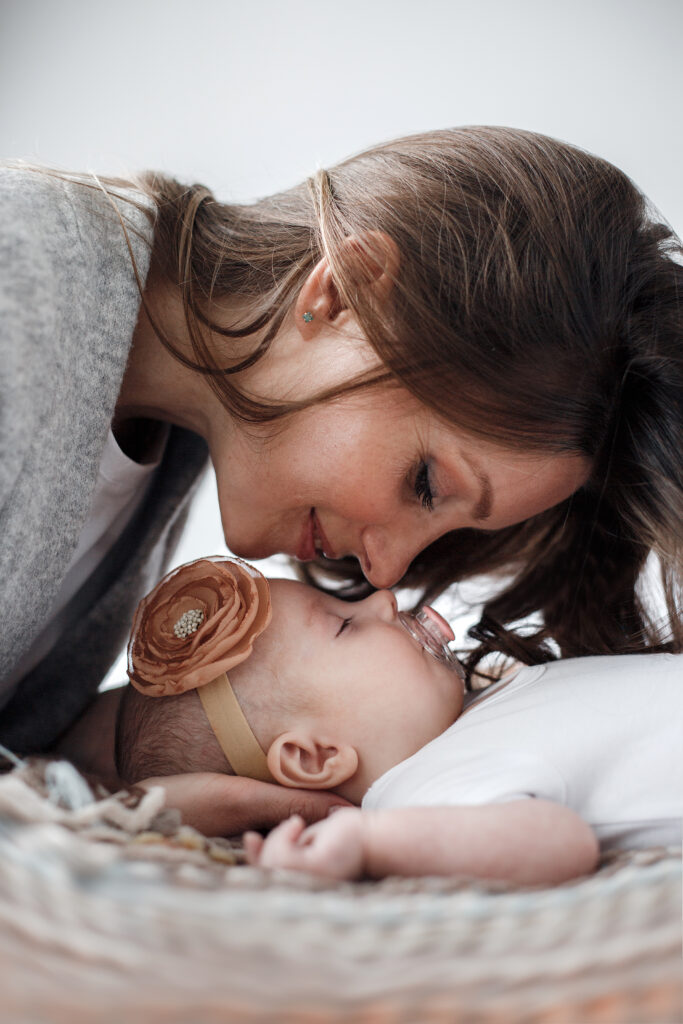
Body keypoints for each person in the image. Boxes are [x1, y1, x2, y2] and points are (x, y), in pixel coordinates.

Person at [2, 127, 681, 835]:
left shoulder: (164, 438)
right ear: (341, 295)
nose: (385, 573)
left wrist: (125, 797)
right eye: (425, 483)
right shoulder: (21, 285)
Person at [106, 558, 681, 883]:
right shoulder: (420, 794)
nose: (381, 599)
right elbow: (558, 842)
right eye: (345, 624)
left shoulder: (471, 715)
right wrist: (369, 843)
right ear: (315, 757)